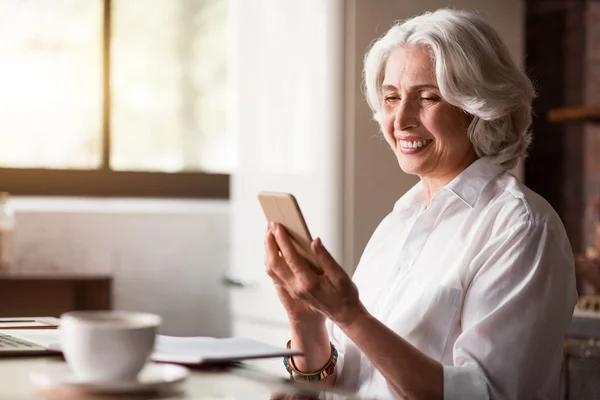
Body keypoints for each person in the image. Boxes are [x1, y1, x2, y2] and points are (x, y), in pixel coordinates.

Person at [264, 8, 576, 400]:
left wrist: (350, 316)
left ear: (477, 105)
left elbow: (486, 394)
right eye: (391, 98)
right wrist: (307, 322)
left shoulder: (521, 227)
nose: (401, 119)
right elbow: (341, 380)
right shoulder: (400, 220)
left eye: (427, 97)